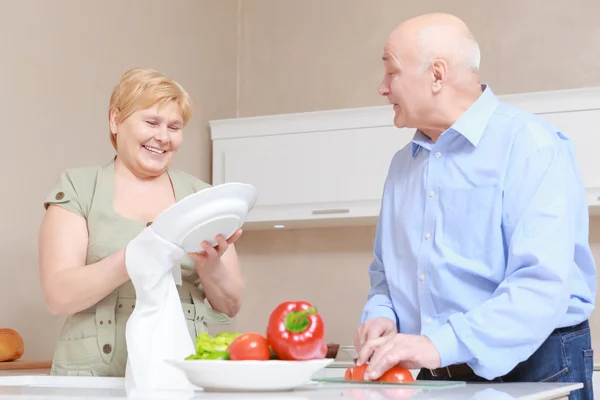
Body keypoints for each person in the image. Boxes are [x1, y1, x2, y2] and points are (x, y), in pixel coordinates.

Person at [353, 12, 596, 399]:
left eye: (391, 72)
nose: (382, 88)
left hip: (538, 368)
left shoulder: (532, 146)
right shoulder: (402, 166)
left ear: (437, 75)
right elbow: (385, 271)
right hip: (436, 369)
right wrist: (382, 314)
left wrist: (437, 345)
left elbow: (540, 285)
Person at [38, 67, 244, 377]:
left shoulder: (202, 198)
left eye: (174, 127)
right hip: (92, 377)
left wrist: (209, 266)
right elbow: (59, 296)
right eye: (151, 122)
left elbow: (230, 305)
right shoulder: (80, 188)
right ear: (115, 120)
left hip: (183, 374)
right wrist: (138, 255)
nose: (163, 137)